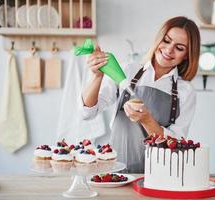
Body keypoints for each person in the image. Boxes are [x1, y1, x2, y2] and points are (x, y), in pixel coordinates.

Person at [80, 16, 200, 173]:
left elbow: (176, 144)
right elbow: (87, 113)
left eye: (179, 48)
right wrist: (97, 76)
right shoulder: (127, 71)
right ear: (158, 39)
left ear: (187, 55)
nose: (169, 49)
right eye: (166, 40)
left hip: (159, 175)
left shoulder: (186, 91)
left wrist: (147, 120)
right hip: (116, 172)